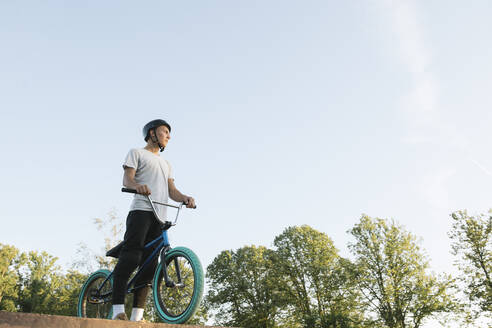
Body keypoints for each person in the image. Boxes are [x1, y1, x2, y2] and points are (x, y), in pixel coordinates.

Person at [111, 119, 196, 321]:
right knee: (131, 257)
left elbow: (172, 191)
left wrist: (184, 198)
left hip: (160, 216)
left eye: (169, 133)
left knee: (149, 267)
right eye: (164, 131)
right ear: (152, 133)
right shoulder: (137, 153)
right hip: (141, 211)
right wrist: (137, 186)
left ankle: (136, 317)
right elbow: (127, 180)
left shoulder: (166, 164)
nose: (168, 135)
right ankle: (117, 311)